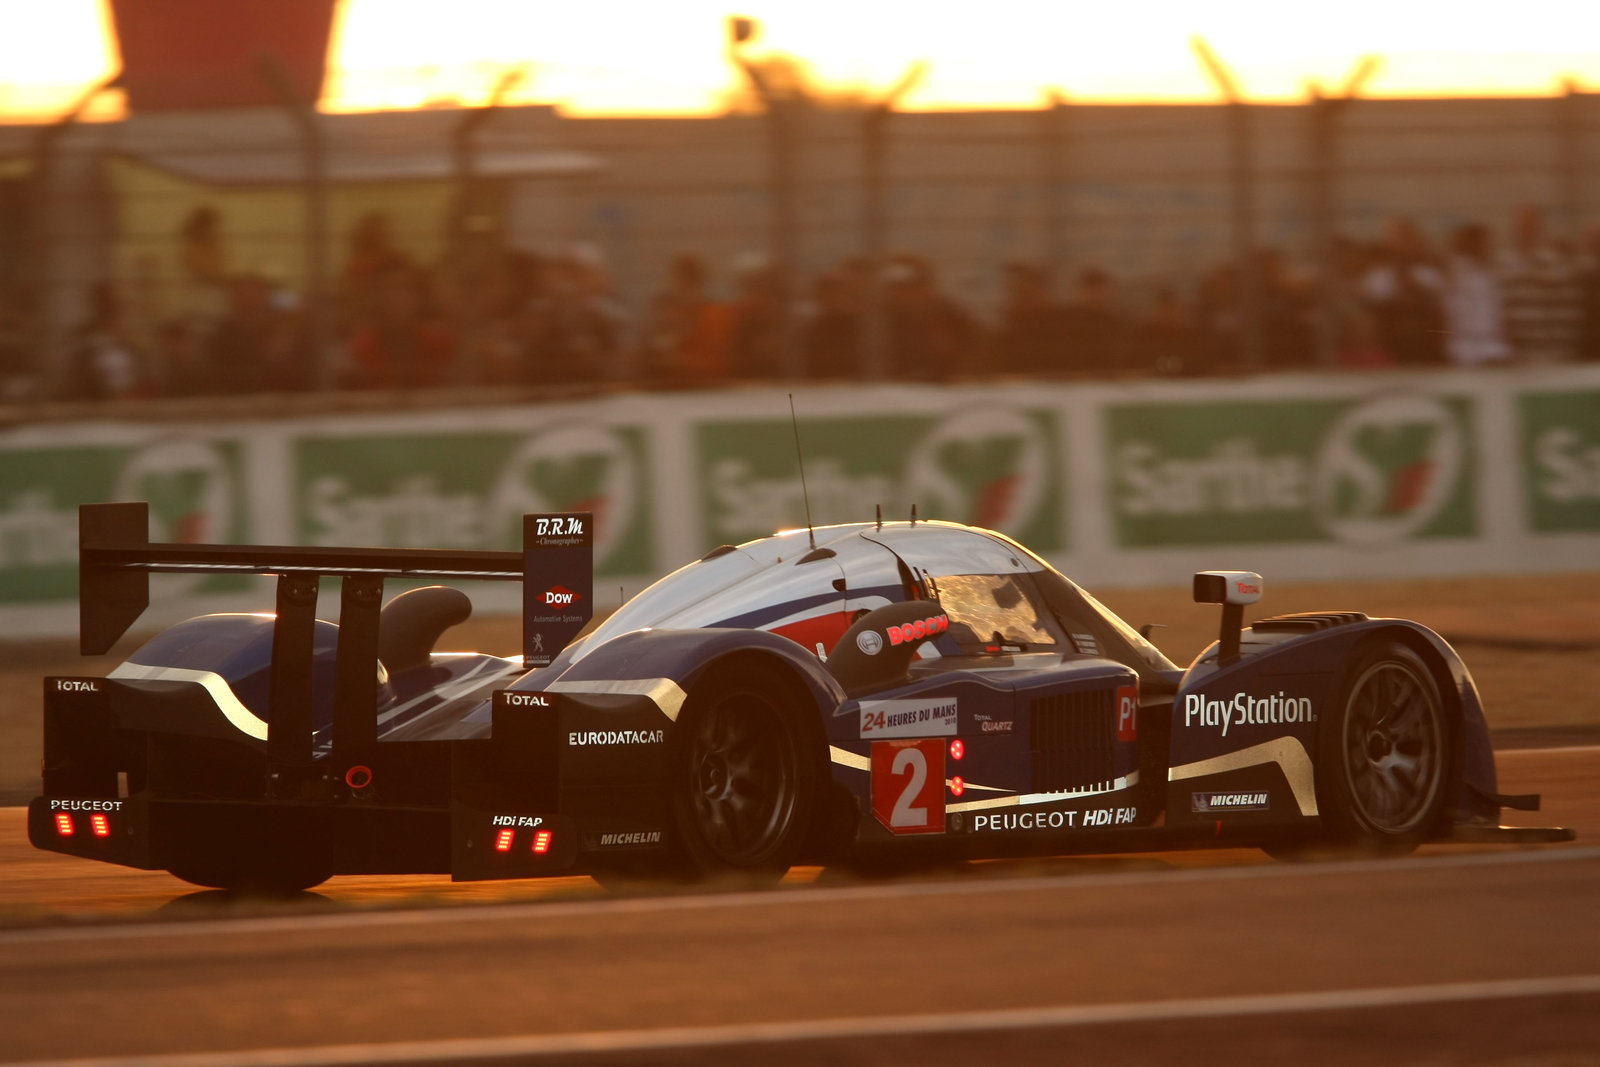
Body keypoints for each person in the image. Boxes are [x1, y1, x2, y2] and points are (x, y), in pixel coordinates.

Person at [1499, 205, 1583, 364]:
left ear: (1540, 227)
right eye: (1521, 226)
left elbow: (1567, 309)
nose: (1526, 230)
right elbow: (1502, 308)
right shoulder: (1505, 264)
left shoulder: (1555, 263)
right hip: (1518, 355)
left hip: (1553, 353)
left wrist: (1564, 347)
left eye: (1530, 225)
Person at [1359, 218, 1444, 366]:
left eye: (1406, 240)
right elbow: (1372, 303)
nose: (1401, 248)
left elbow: (1438, 302)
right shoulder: (1376, 277)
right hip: (1389, 343)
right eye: (1395, 241)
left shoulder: (1429, 275)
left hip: (1424, 345)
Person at [1440, 223, 1510, 368]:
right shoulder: (1454, 270)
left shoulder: (1490, 271)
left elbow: (1496, 310)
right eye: (1484, 243)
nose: (1488, 246)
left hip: (1492, 341)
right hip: (1465, 343)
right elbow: (1448, 310)